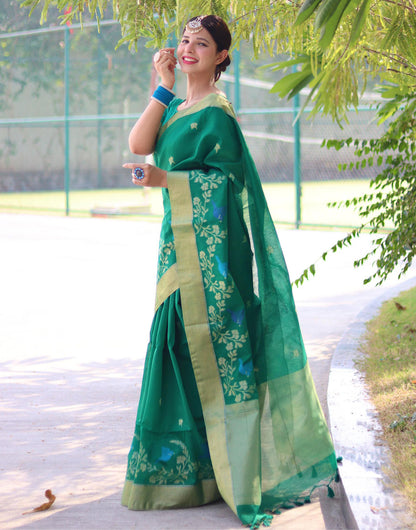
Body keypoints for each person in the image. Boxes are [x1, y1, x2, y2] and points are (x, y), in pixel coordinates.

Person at [121, 15, 339, 529]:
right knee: (177, 342)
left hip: (215, 258)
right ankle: (192, 473)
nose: (189, 48)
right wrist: (162, 84)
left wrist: (164, 180)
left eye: (202, 43)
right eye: (184, 41)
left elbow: (225, 188)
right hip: (178, 250)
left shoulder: (217, 115)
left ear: (222, 57)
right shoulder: (178, 108)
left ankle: (234, 474)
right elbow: (138, 142)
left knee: (219, 353)